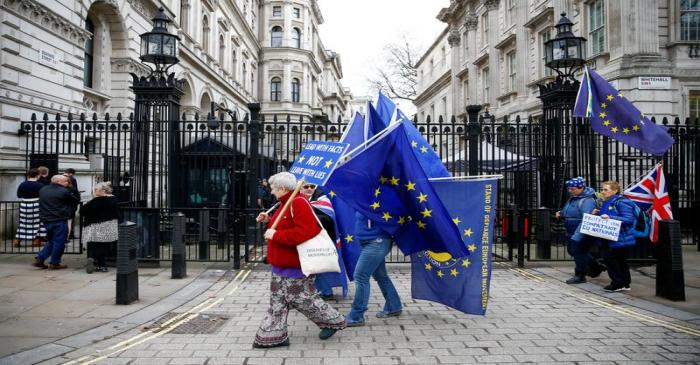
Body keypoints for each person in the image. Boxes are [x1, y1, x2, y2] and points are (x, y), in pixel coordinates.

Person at [253, 172, 345, 348]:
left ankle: (333, 321)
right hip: (280, 264)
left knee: (303, 299)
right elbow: (284, 225)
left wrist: (276, 234)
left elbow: (306, 232)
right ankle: (273, 335)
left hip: (294, 265)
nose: (270, 192)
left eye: (272, 188)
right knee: (277, 301)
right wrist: (269, 221)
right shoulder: (284, 203)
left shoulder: (298, 202)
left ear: (281, 188)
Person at [346, 212, 402, 327]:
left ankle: (356, 317)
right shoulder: (365, 198)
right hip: (370, 242)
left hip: (377, 242)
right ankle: (394, 306)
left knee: (361, 277)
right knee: (381, 276)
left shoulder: (378, 197)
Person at [555, 177, 606, 284]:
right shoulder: (574, 197)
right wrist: (562, 213)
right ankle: (596, 266)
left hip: (580, 229)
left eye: (572, 189)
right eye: (569, 189)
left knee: (578, 252)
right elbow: (571, 210)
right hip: (571, 228)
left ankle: (580, 275)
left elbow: (586, 219)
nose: (570, 191)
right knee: (572, 250)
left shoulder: (587, 201)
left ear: (581, 188)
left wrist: (577, 235)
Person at [593, 180, 636, 292]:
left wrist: (611, 218)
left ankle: (617, 283)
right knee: (619, 260)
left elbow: (628, 220)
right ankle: (625, 284)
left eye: (606, 189)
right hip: (609, 236)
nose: (602, 192)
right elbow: (607, 215)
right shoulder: (608, 201)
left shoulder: (621, 202)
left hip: (619, 237)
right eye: (602, 189)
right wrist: (599, 213)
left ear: (615, 191)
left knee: (612, 260)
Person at [32, 175, 81, 270]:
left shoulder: (43, 189)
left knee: (51, 240)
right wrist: (71, 190)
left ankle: (40, 259)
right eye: (66, 181)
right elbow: (75, 200)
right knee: (59, 242)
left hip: (46, 219)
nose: (67, 183)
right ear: (59, 182)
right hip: (59, 219)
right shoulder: (64, 191)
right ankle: (55, 263)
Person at [300, 183, 337, 300]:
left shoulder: (321, 201)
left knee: (311, 266)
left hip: (316, 239)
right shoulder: (297, 200)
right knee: (309, 266)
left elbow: (327, 220)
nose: (310, 189)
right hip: (303, 238)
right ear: (299, 188)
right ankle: (321, 291)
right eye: (306, 187)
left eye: (312, 186)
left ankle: (325, 292)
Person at [80, 182, 119, 273]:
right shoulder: (114, 199)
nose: (94, 191)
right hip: (109, 225)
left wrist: (89, 202)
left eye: (96, 190)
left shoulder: (97, 200)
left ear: (103, 191)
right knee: (103, 245)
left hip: (94, 225)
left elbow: (82, 211)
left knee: (92, 243)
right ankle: (102, 265)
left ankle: (91, 258)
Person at [14, 168, 46, 247]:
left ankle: (17, 240)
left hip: (24, 204)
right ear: (38, 175)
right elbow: (44, 196)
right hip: (36, 205)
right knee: (37, 222)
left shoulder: (22, 184)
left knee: (24, 222)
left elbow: (19, 195)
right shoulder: (40, 185)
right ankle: (35, 240)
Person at [63, 168, 80, 240]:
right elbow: (75, 190)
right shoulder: (72, 179)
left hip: (61, 205)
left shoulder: (58, 177)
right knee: (70, 221)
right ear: (71, 173)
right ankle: (70, 235)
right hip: (70, 204)